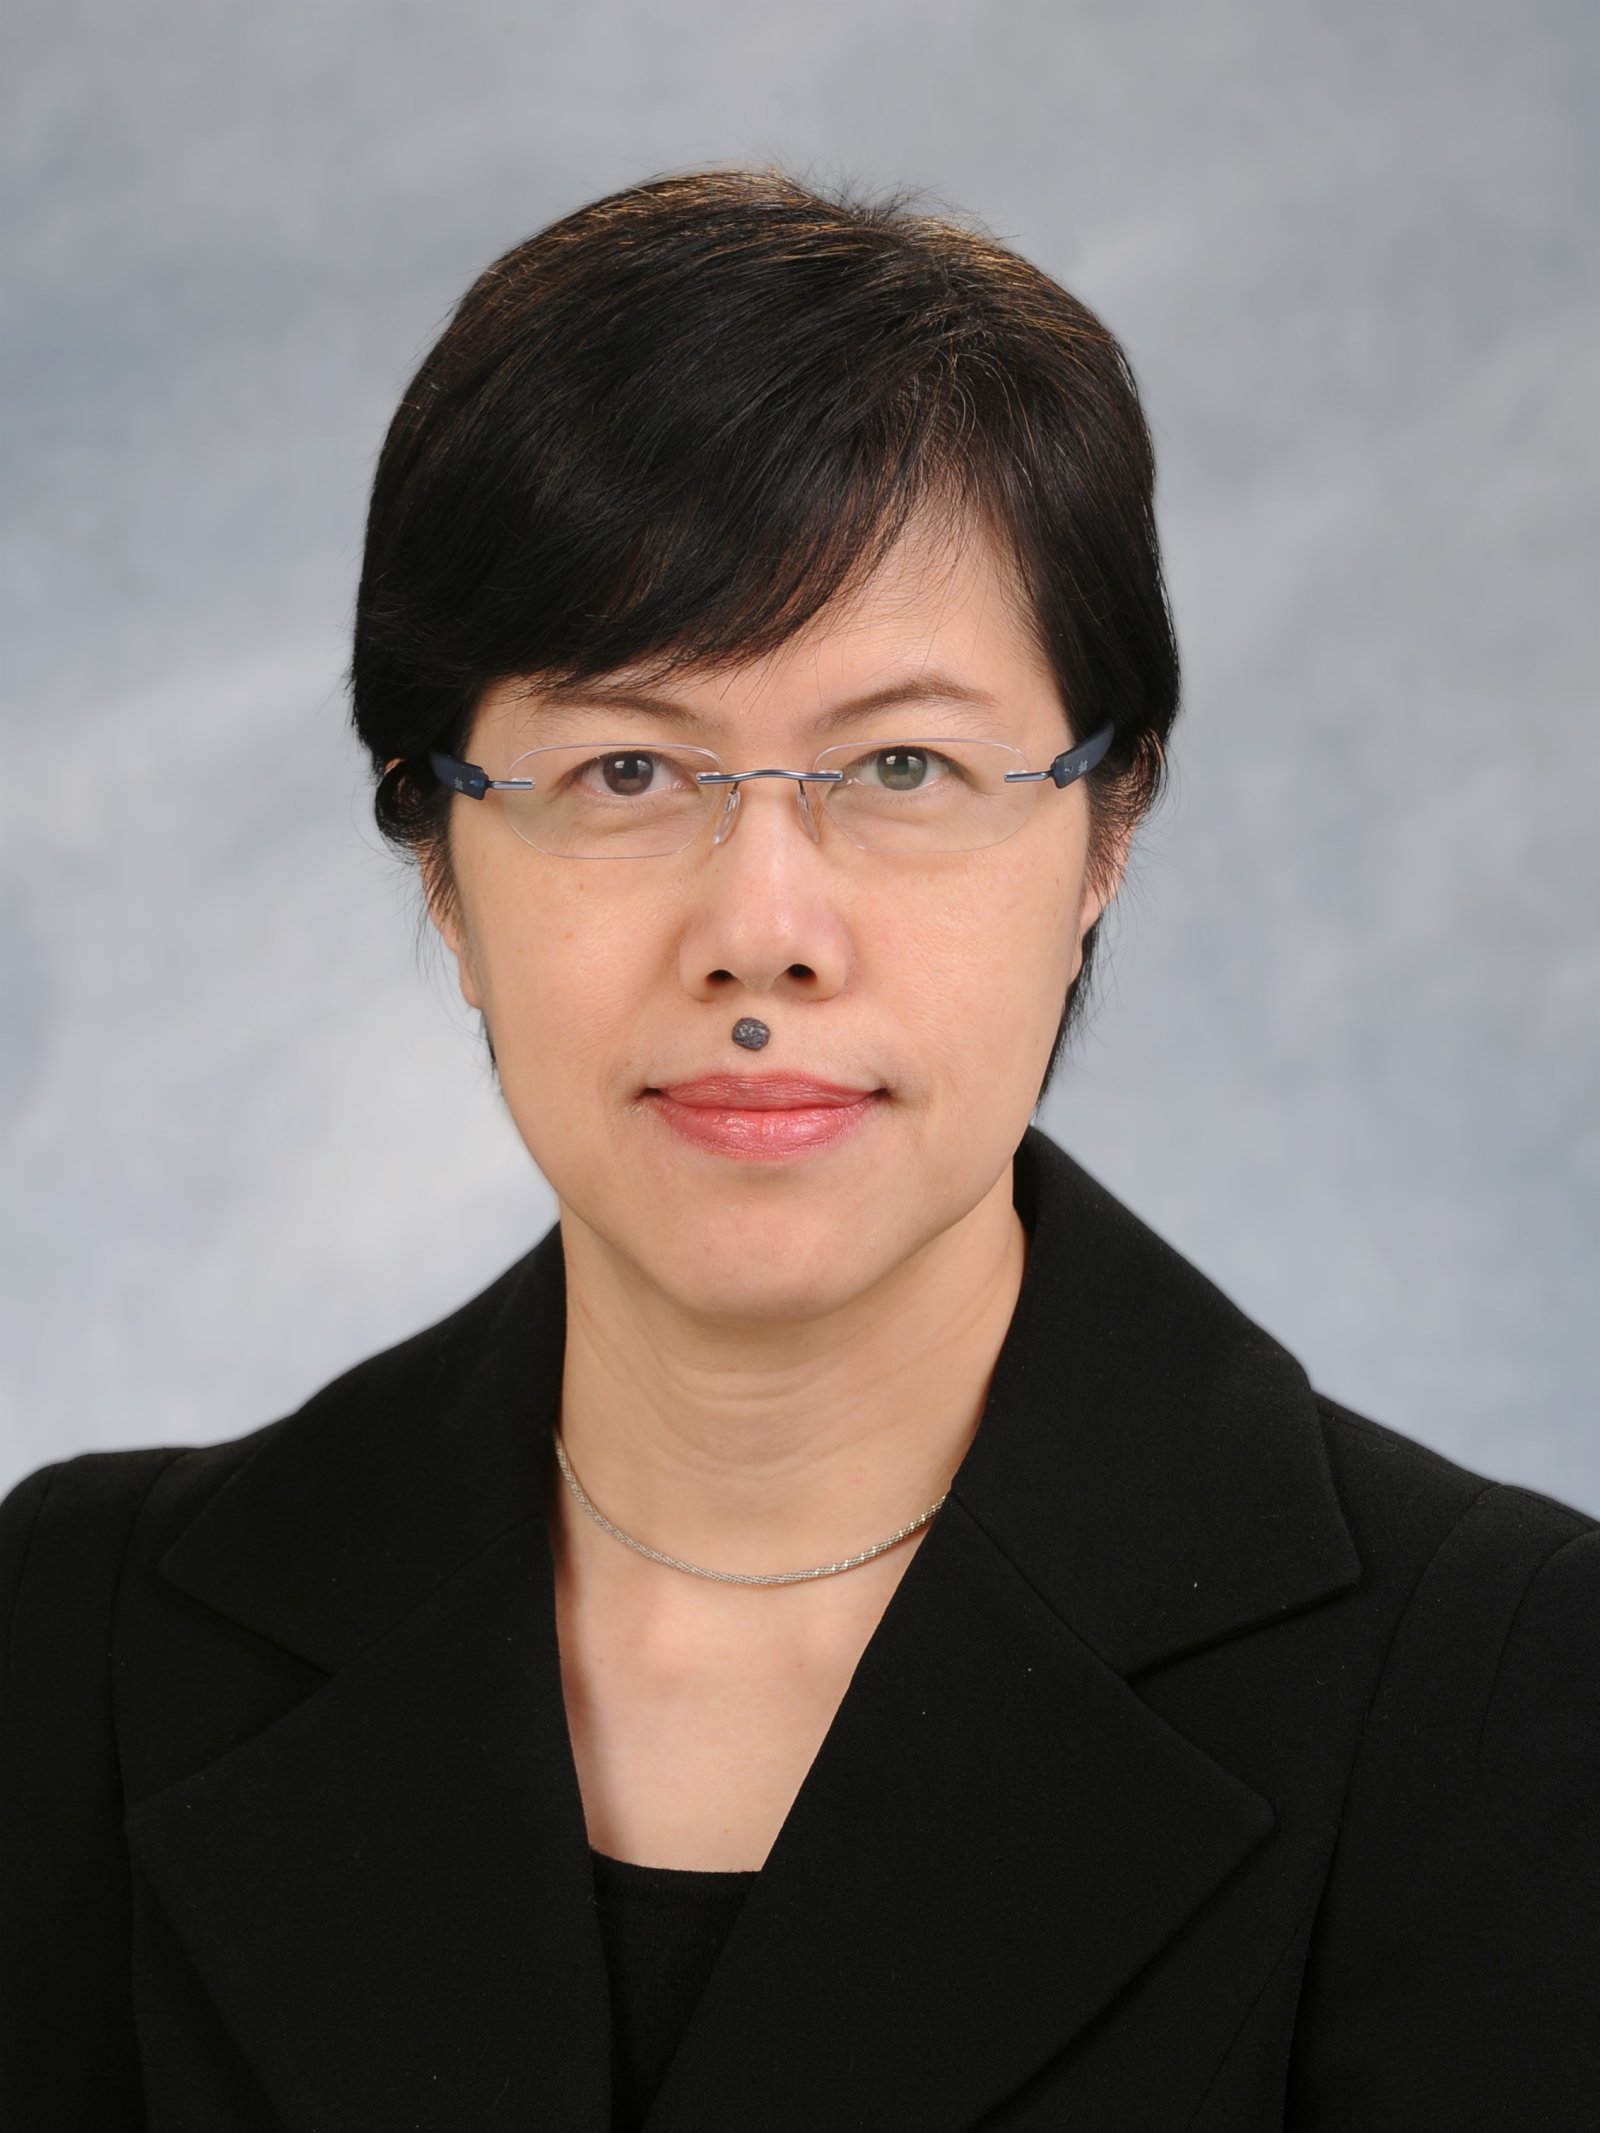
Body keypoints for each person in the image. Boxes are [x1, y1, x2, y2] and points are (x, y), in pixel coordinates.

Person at [1, 166, 1595, 2133]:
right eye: (625, 766)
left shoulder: (1499, 1686)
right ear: (439, 857)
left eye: (901, 763)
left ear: (1104, 833)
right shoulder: (81, 1646)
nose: (762, 929)